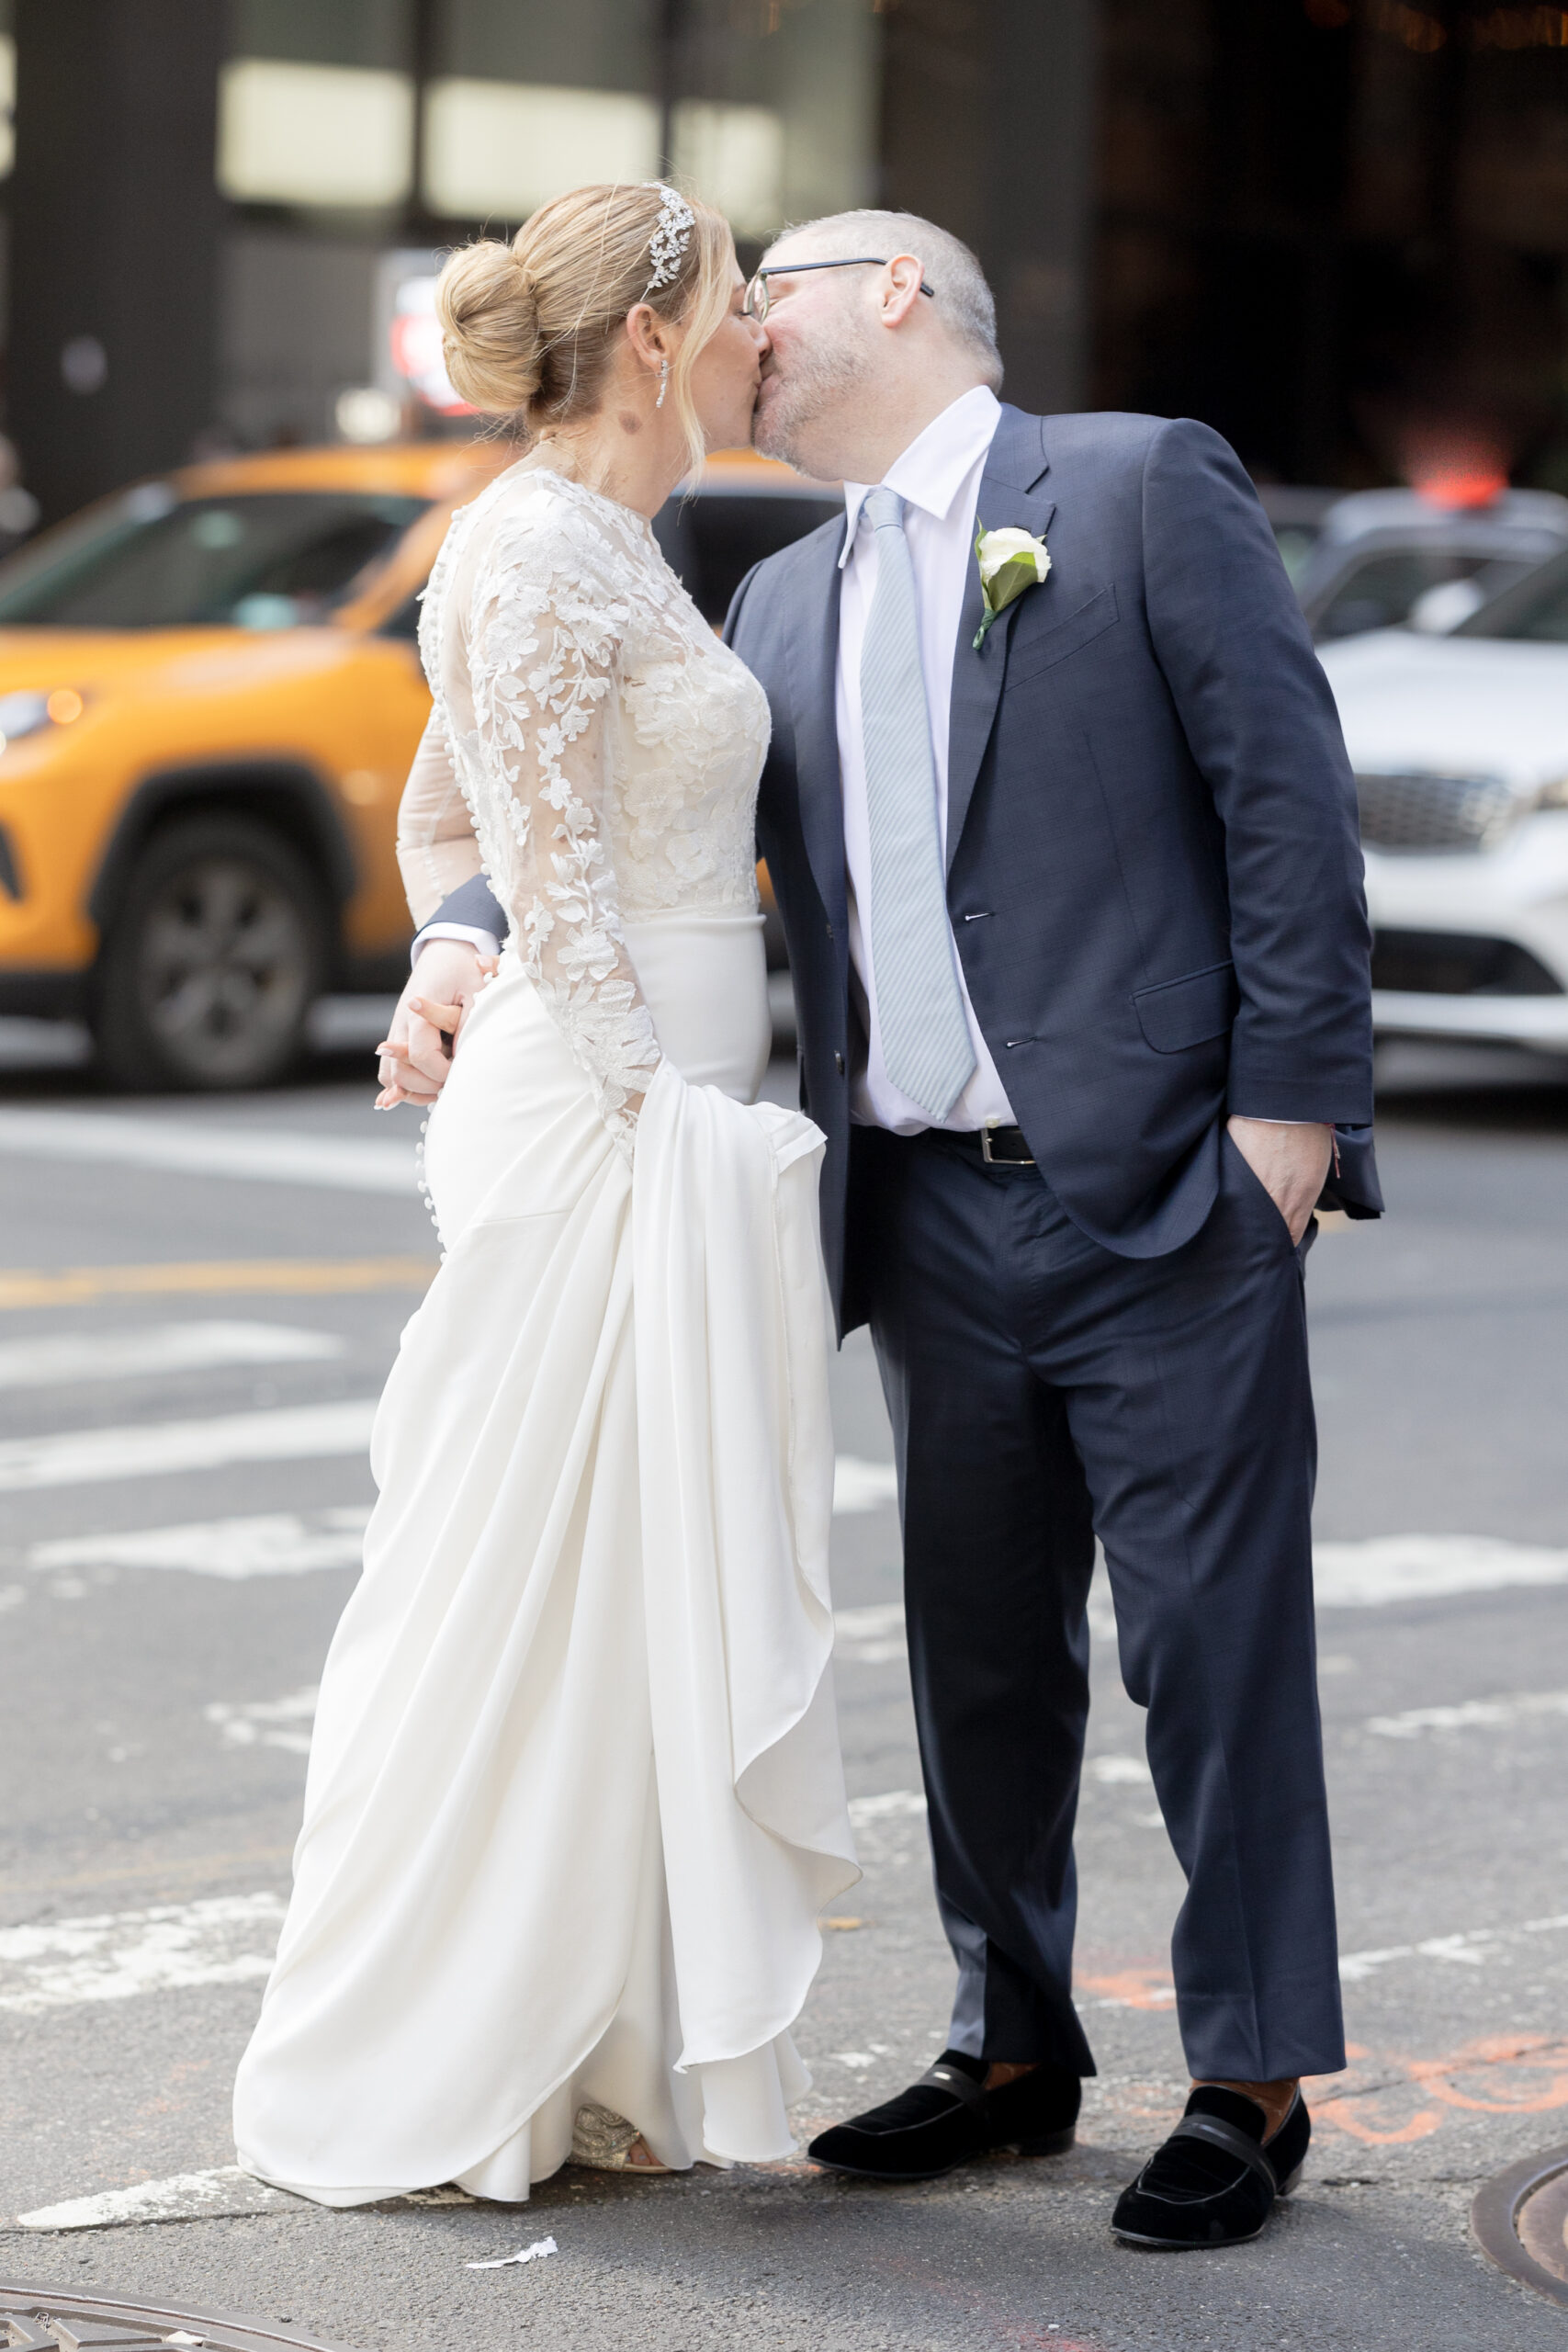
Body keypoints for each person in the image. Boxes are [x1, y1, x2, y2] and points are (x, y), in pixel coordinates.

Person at [407, 206, 1384, 2253]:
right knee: (974, 1656)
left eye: (779, 291)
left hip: (1163, 1191)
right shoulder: (763, 604)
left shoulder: (1126, 487)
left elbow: (1282, 799)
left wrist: (1285, 1125)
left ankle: (1250, 2068)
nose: (741, 328)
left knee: (1207, 1648)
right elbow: (582, 803)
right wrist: (458, 936)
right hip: (917, 1205)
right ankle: (1007, 2037)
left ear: (900, 297)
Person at [231, 183, 857, 2206]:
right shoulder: (520, 546)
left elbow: (453, 809)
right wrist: (636, 1096)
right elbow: (539, 875)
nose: (769, 333)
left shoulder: (624, 544)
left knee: (624, 1601)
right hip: (606, 1116)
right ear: (661, 332)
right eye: (750, 301)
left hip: (652, 1082)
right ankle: (455, 2053)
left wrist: (445, 946)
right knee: (515, 1584)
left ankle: (594, 2042)